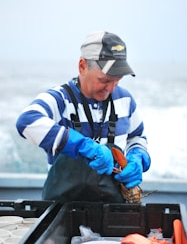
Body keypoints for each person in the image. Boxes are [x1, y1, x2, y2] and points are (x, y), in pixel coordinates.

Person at [16, 31, 151, 203]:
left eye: (117, 80)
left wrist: (137, 156)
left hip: (113, 208)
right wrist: (83, 145)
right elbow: (26, 121)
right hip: (62, 209)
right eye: (104, 80)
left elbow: (137, 137)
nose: (111, 88)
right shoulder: (60, 99)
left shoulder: (125, 99)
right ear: (82, 66)